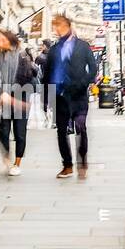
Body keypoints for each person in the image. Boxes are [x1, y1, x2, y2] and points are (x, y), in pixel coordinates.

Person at [48, 13, 97, 179]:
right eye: (55, 26)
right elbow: (47, 73)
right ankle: (67, 165)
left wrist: (83, 83)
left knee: (81, 128)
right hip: (60, 97)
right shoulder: (54, 49)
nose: (56, 29)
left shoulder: (83, 46)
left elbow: (93, 69)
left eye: (60, 25)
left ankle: (82, 161)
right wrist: (47, 96)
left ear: (68, 26)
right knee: (61, 132)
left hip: (78, 96)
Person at [0, 29, 35, 177]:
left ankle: (17, 164)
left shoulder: (22, 56)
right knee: (3, 132)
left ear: (10, 40)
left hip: (19, 101)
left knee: (20, 133)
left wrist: (11, 95)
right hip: (3, 102)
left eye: (2, 39)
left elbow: (28, 80)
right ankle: (7, 160)